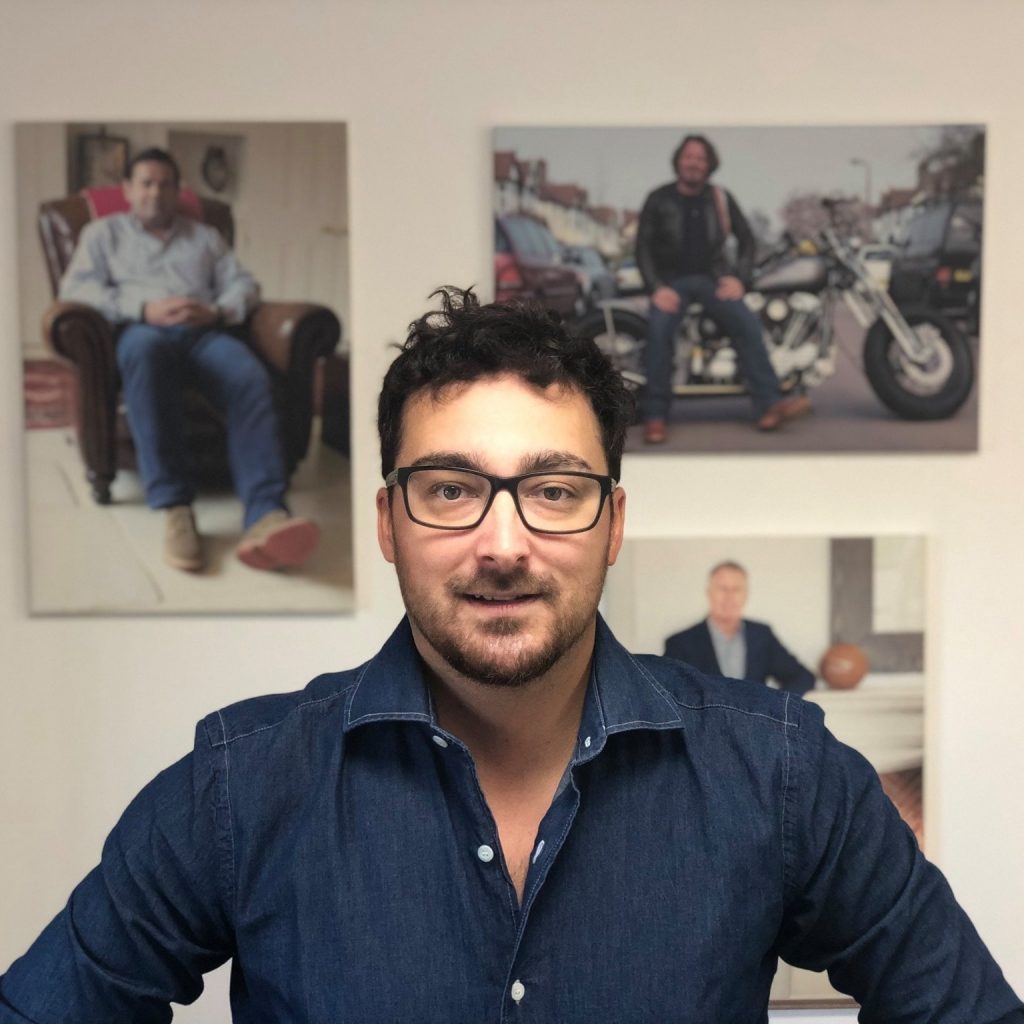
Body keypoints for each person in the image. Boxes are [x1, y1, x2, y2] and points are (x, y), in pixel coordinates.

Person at [2, 288, 1021, 1022]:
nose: (502, 543)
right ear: (388, 522)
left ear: (612, 523)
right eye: (450, 488)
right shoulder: (241, 785)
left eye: (555, 490)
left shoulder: (784, 772)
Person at [58, 147, 319, 573]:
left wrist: (216, 311)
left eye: (164, 184)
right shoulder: (103, 234)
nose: (155, 192)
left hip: (204, 334)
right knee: (144, 353)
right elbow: (76, 290)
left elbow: (244, 285)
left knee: (250, 377)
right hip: (142, 332)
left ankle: (266, 513)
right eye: (146, 183)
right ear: (127, 190)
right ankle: (176, 507)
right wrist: (144, 308)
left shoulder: (205, 237)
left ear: (177, 191)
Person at [635, 133, 812, 443]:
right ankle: (655, 416)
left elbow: (747, 240)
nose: (693, 163)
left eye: (700, 158)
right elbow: (642, 247)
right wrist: (656, 288)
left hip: (712, 280)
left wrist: (740, 279)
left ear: (709, 164)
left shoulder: (720, 198)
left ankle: (769, 405)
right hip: (672, 282)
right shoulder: (659, 198)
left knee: (746, 322)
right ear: (678, 161)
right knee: (659, 332)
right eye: (688, 157)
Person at [665, 560, 815, 695]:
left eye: (736, 589)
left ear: (746, 595)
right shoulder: (681, 643)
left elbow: (803, 677)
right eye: (723, 588)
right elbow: (665, 690)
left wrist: (774, 704)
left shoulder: (761, 636)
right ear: (709, 593)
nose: (729, 596)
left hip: (754, 718)